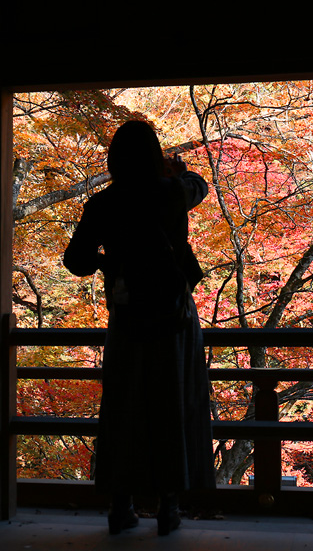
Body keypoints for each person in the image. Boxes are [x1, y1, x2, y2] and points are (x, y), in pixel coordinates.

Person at [63, 120, 216, 536]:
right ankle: (169, 506)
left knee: (124, 406)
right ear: (154, 156)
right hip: (174, 317)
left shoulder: (103, 204)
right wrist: (177, 171)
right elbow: (199, 185)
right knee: (172, 402)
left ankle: (121, 505)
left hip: (127, 316)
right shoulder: (171, 192)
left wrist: (110, 263)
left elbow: (75, 260)